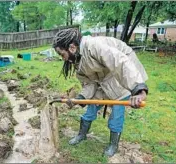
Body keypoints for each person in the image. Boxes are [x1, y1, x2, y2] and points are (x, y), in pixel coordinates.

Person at [52, 28, 148, 157]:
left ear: (72, 47)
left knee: (116, 117)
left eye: (62, 54)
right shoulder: (77, 60)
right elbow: (89, 83)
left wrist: (138, 89)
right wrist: (79, 98)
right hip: (102, 80)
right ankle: (81, 135)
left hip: (122, 77)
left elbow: (119, 63)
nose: (63, 59)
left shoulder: (94, 46)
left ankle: (113, 145)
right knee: (90, 111)